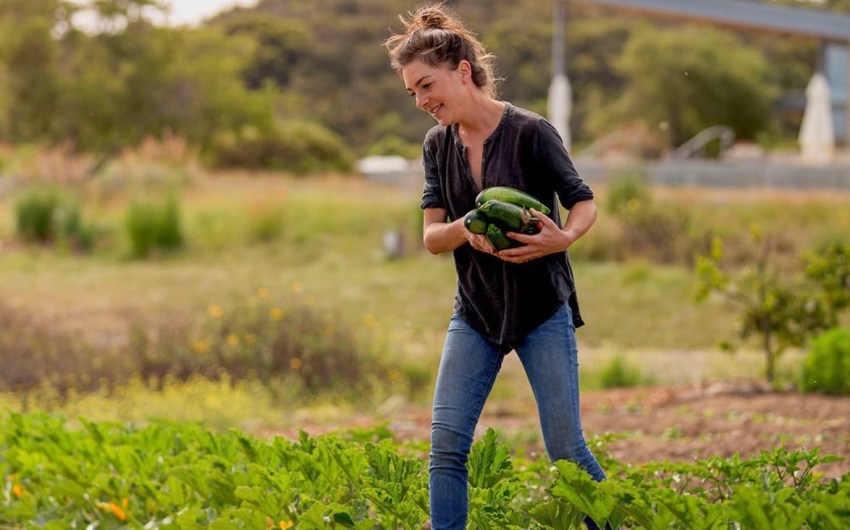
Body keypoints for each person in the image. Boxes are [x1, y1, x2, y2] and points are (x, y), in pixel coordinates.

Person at [385, 4, 611, 530]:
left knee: (566, 450)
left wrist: (564, 238)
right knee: (445, 447)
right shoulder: (437, 145)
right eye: (412, 92)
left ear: (462, 71)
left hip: (541, 308)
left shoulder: (532, 131)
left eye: (426, 85)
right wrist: (467, 228)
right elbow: (432, 238)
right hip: (476, 311)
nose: (421, 101)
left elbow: (583, 201)